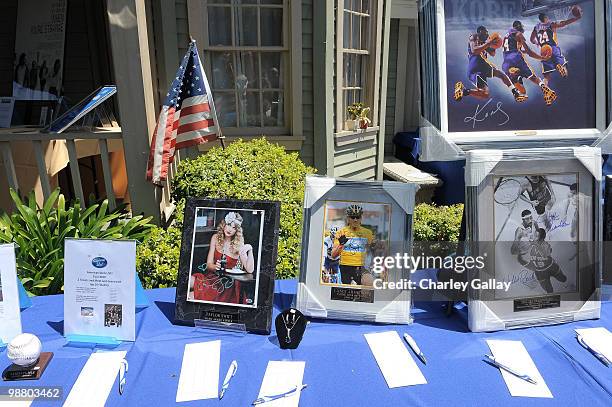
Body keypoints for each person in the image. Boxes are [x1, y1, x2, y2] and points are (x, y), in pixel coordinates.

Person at [189, 212, 254, 304]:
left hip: (227, 286)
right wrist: (215, 267)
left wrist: (250, 250)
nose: (230, 229)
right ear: (224, 224)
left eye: (234, 227)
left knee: (191, 296)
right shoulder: (215, 238)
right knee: (188, 281)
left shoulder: (239, 244)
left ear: (236, 231)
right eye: (228, 225)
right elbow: (208, 264)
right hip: (211, 278)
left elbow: (250, 270)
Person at [454, 25, 528, 103]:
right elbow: (474, 51)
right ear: (479, 32)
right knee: (485, 94)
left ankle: (515, 93)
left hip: (483, 66)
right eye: (485, 32)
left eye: (487, 33)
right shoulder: (474, 37)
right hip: (475, 68)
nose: (487, 34)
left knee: (501, 75)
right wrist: (488, 43)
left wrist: (494, 44)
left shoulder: (485, 41)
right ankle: (464, 91)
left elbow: (492, 53)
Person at [502, 21, 556, 105]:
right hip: (516, 58)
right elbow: (530, 52)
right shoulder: (518, 34)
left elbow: (511, 48)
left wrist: (521, 51)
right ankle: (544, 87)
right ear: (518, 27)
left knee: (523, 91)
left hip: (506, 63)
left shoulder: (506, 36)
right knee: (533, 77)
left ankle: (516, 80)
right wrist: (542, 58)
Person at [530, 8, 581, 84]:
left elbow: (531, 39)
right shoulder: (551, 24)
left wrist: (536, 42)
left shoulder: (536, 28)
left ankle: (544, 85)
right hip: (553, 48)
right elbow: (564, 23)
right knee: (564, 65)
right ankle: (560, 67)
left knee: (546, 75)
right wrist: (576, 18)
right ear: (546, 18)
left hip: (543, 51)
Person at [332, 205, 379, 285]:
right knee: (347, 293)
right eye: (352, 217)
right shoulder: (341, 232)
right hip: (345, 267)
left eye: (358, 217)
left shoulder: (368, 233)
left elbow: (373, 251)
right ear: (348, 218)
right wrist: (341, 244)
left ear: (361, 218)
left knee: (369, 284)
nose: (355, 220)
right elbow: (333, 255)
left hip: (361, 267)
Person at [528, 227, 567, 293]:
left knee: (563, 279)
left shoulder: (546, 245)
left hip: (551, 267)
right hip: (540, 272)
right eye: (534, 235)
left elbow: (545, 254)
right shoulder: (531, 245)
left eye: (536, 236)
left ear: (542, 238)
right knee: (549, 290)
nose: (534, 237)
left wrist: (536, 244)